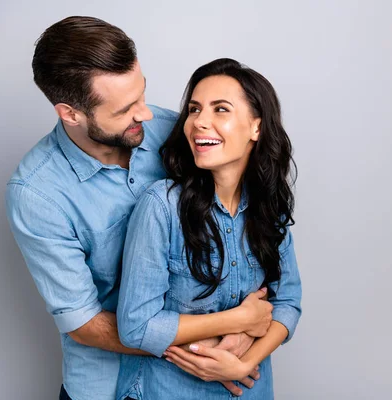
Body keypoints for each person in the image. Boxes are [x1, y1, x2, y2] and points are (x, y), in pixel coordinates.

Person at [5, 17, 270, 400]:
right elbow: (83, 323)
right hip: (106, 387)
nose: (146, 114)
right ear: (71, 114)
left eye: (142, 94)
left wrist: (246, 332)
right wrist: (208, 348)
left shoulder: (179, 133)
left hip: (200, 385)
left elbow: (244, 228)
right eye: (125, 109)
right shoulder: (36, 194)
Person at [116, 58, 302, 399]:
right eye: (194, 109)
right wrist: (241, 320)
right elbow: (137, 327)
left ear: (256, 128)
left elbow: (288, 302)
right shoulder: (161, 206)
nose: (200, 122)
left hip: (250, 389)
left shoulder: (268, 207)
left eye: (221, 110)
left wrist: (244, 364)